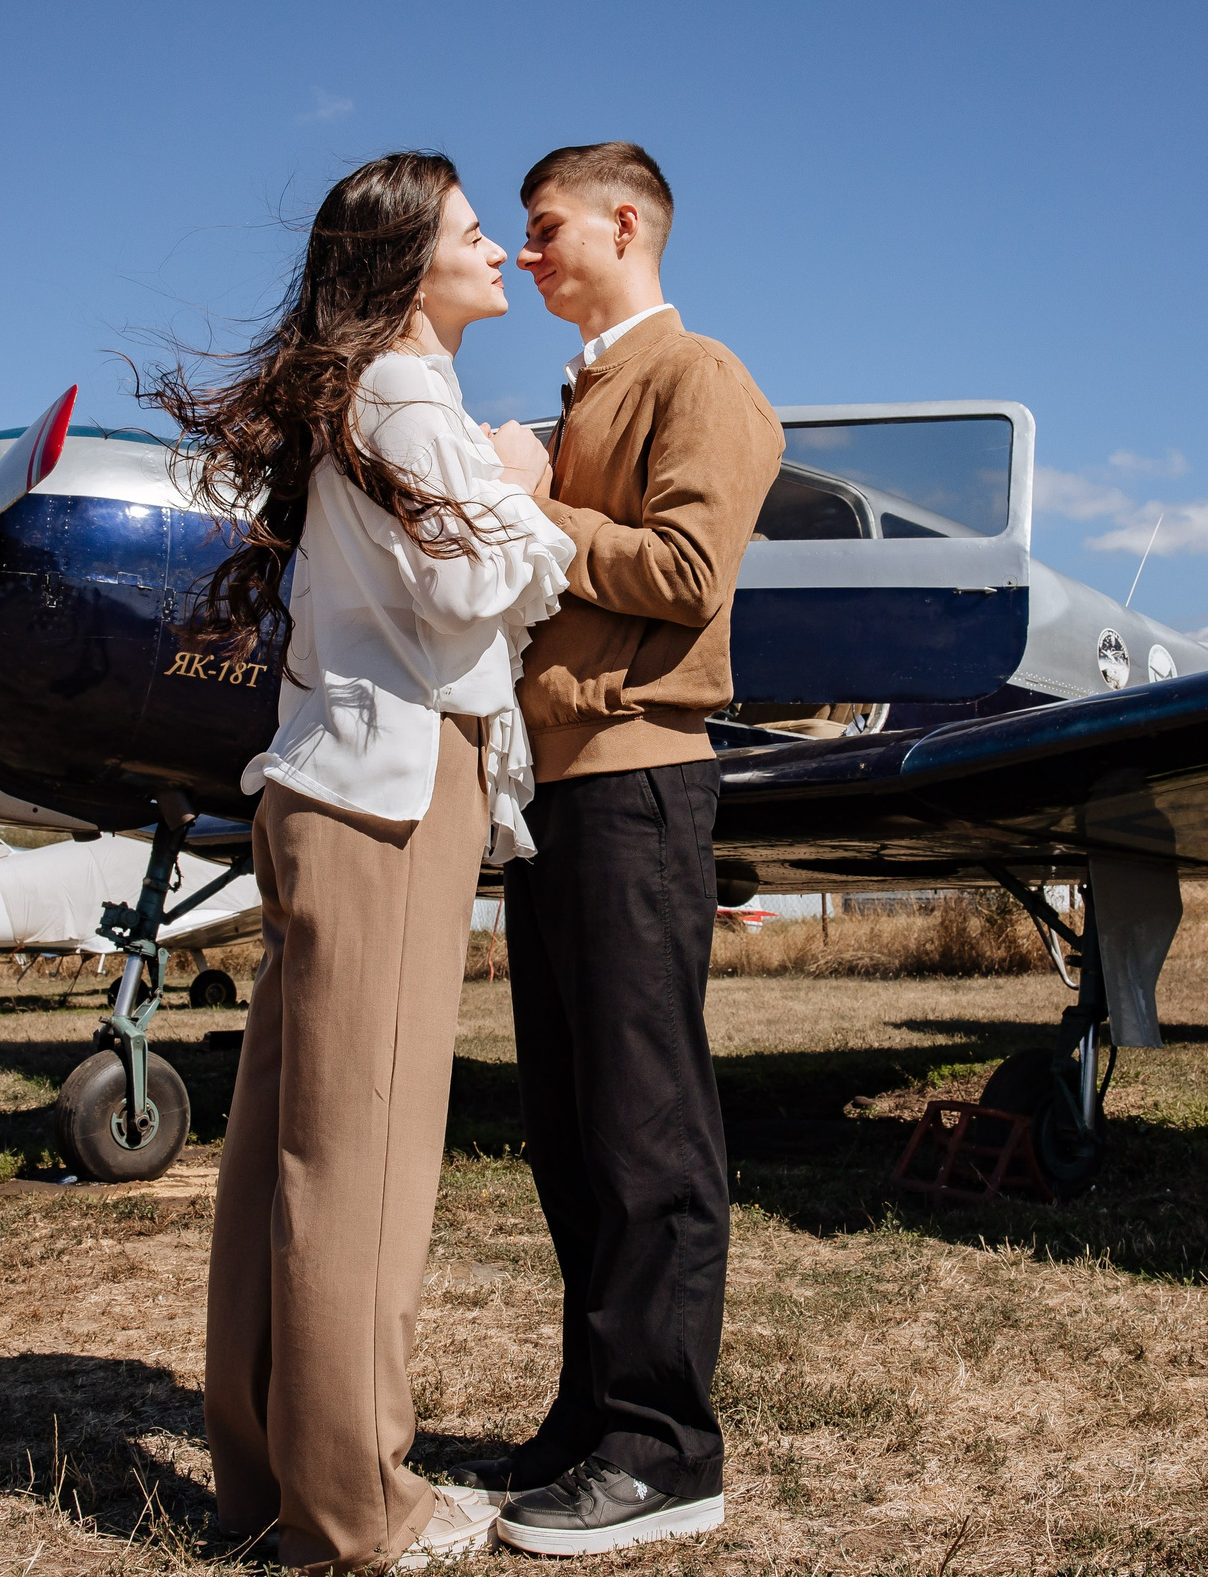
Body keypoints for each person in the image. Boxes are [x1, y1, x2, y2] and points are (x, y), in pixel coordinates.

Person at [158, 151, 574, 1572]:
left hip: (328, 791)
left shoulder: (370, 399)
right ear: (408, 266)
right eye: (475, 234)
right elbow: (471, 579)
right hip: (392, 799)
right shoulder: (403, 392)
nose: (501, 254)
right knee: (368, 1165)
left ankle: (269, 1479)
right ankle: (357, 1511)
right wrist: (523, 483)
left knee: (293, 1154)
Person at [447, 143, 782, 1556]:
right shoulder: (582, 395)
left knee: (646, 1125)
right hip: (555, 794)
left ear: (627, 222)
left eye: (546, 228)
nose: (526, 255)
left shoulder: (699, 376)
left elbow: (690, 574)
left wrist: (531, 514)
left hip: (641, 783)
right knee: (574, 1128)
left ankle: (666, 1448)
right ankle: (595, 1416)